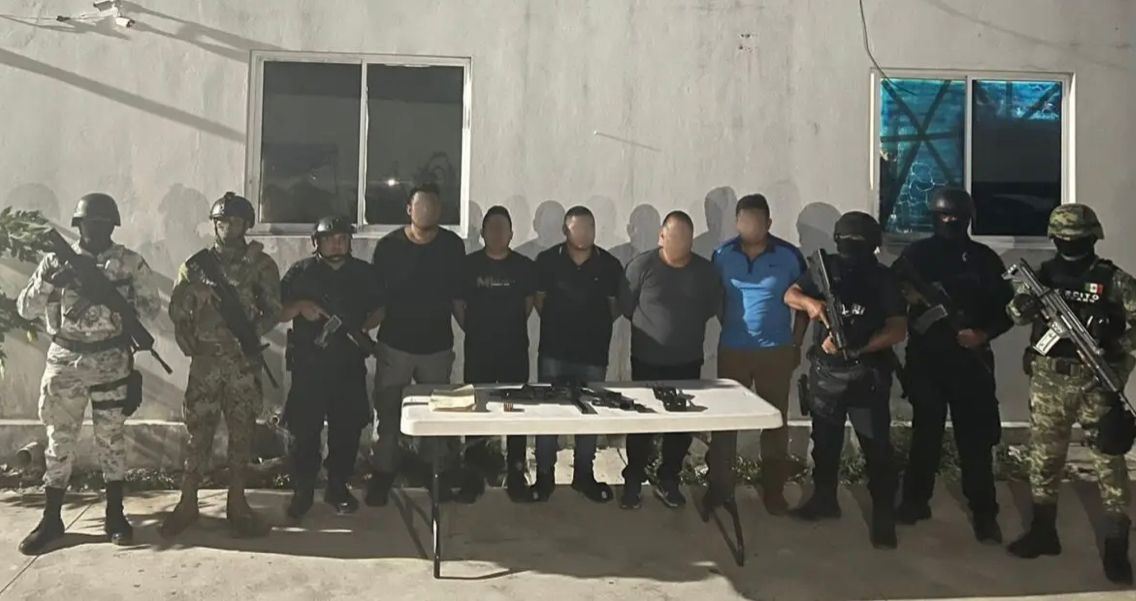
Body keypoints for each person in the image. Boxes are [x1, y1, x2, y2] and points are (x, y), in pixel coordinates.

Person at [15, 193, 160, 554]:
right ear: (78, 225)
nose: (95, 229)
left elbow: (151, 309)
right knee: (59, 441)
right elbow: (25, 309)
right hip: (65, 361)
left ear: (113, 226)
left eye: (103, 223)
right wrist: (50, 281)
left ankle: (115, 515)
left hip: (111, 360)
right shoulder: (55, 260)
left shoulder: (130, 263)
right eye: (89, 223)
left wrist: (117, 303)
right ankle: (52, 519)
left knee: (111, 440)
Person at [1005, 204, 1134, 585]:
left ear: (1093, 238)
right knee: (1044, 458)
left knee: (1108, 462)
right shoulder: (1043, 275)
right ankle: (1043, 532)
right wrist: (1022, 305)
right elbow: (1016, 314)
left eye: (1076, 239)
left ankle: (1116, 546)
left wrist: (1118, 354)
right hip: (1049, 380)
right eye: (1063, 238)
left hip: (1096, 381)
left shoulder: (1114, 280)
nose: (1069, 244)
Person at [893, 188, 1013, 543]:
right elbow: (892, 290)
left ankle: (984, 513)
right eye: (943, 216)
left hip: (970, 363)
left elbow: (1007, 311)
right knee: (925, 436)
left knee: (975, 442)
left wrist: (981, 334)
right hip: (927, 360)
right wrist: (909, 296)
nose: (949, 222)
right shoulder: (917, 255)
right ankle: (915, 502)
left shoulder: (984, 259)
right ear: (933, 217)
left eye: (956, 217)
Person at [161, 192, 282, 538]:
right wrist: (193, 293)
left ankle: (238, 504)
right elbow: (175, 310)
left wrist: (248, 334)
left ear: (246, 225)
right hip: (205, 363)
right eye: (222, 221)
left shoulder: (261, 265)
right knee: (197, 433)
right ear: (214, 225)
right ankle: (187, 502)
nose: (228, 227)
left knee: (242, 434)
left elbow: (274, 309)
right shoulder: (195, 265)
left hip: (242, 363)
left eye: (235, 222)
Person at [785, 211, 906, 549]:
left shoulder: (882, 279)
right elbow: (790, 295)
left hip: (867, 374)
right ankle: (824, 501)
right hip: (827, 374)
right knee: (825, 445)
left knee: (876, 449)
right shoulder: (826, 270)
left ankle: (883, 516)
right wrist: (811, 304)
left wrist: (857, 348)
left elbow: (898, 329)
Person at [707, 194, 808, 515]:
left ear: (769, 223)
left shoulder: (789, 256)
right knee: (725, 422)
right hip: (733, 351)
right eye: (745, 221)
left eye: (757, 222)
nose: (750, 227)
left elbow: (805, 302)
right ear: (737, 223)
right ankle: (720, 488)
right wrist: (731, 326)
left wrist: (796, 344)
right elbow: (717, 297)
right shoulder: (722, 255)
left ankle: (773, 490)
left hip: (775, 352)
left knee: (775, 421)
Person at [366, 183, 466, 506]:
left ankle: (433, 474)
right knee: (388, 414)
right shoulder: (388, 247)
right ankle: (382, 475)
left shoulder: (452, 246)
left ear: (440, 210)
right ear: (409, 208)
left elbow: (458, 297)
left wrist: (473, 330)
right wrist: (362, 329)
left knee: (436, 417)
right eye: (420, 206)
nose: (427, 211)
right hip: (395, 346)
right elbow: (377, 298)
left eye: (433, 206)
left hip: (437, 347)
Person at [279, 216, 383, 520]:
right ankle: (303, 490)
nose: (336, 244)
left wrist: (361, 328)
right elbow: (276, 310)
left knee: (347, 429)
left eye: (342, 239)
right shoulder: (301, 272)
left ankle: (338, 487)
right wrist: (300, 307)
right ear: (317, 242)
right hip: (309, 366)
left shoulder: (364, 273)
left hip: (348, 364)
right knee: (303, 431)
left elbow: (381, 307)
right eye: (329, 239)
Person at [619, 210, 720, 510]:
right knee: (642, 422)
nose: (678, 243)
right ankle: (633, 478)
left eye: (685, 238)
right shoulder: (641, 266)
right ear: (661, 236)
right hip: (647, 360)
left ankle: (669, 478)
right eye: (672, 237)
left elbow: (709, 308)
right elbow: (627, 306)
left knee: (680, 424)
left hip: (686, 361)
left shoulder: (704, 272)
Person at [532, 205, 623, 503]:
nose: (584, 233)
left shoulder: (609, 265)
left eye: (589, 228)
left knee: (590, 415)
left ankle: (584, 474)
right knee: (548, 413)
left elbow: (614, 307)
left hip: (593, 354)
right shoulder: (547, 261)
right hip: (554, 352)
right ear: (565, 230)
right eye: (577, 228)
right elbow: (540, 301)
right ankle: (544, 475)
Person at [453, 206, 538, 503]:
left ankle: (515, 474)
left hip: (514, 352)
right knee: (477, 411)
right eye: (492, 228)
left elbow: (528, 304)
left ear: (512, 234)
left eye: (503, 229)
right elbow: (458, 305)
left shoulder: (524, 267)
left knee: (516, 411)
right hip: (479, 352)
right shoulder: (468, 266)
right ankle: (473, 477)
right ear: (482, 233)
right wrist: (476, 331)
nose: (498, 233)